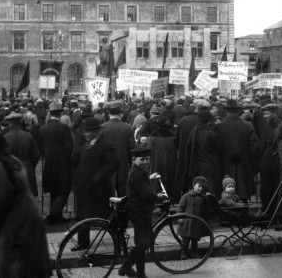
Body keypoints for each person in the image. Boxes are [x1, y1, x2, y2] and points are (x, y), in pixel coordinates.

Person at [0, 135, 50, 277]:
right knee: (27, 259)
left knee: (9, 260)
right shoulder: (15, 161)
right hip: (30, 211)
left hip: (17, 217)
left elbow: (1, 198)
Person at [118, 145, 167, 278]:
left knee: (143, 242)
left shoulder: (136, 171)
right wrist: (158, 196)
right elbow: (145, 193)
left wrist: (149, 178)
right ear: (134, 159)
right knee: (144, 243)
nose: (146, 162)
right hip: (140, 211)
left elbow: (140, 185)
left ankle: (133, 270)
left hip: (137, 210)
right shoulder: (137, 173)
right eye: (142, 159)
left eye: (147, 159)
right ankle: (129, 268)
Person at [73, 117, 119, 248]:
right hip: (84, 188)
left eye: (89, 132)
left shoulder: (105, 145)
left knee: (108, 217)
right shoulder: (85, 145)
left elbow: (114, 163)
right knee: (82, 217)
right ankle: (83, 243)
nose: (86, 134)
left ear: (96, 132)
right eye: (85, 131)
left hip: (100, 189)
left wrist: (99, 175)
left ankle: (119, 239)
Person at [214, 99, 260, 202]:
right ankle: (244, 209)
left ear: (226, 111)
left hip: (225, 163)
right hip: (244, 163)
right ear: (239, 111)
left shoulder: (219, 126)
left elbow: (216, 146)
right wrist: (251, 161)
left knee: (226, 189)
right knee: (243, 189)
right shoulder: (247, 125)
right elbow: (255, 146)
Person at [39, 101, 74, 224]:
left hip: (49, 163)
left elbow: (41, 147)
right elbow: (70, 146)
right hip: (63, 163)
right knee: (64, 188)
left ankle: (57, 216)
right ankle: (54, 213)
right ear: (60, 114)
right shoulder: (63, 128)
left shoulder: (43, 128)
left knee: (54, 189)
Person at [101, 101, 136, 197]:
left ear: (108, 113)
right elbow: (132, 149)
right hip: (124, 167)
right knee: (124, 198)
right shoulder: (127, 128)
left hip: (106, 168)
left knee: (107, 199)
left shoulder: (101, 128)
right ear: (121, 113)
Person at [2, 112, 40, 197]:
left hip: (11, 168)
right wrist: (30, 164)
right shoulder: (28, 135)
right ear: (20, 122)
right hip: (26, 166)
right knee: (28, 196)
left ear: (9, 123)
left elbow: (2, 156)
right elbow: (36, 154)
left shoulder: (5, 137)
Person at [186, 111, 223, 197]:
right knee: (211, 187)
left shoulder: (193, 131)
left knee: (199, 187)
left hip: (196, 164)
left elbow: (188, 147)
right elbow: (220, 148)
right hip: (210, 163)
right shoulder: (211, 133)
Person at [177, 176, 212, 260]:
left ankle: (194, 253)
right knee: (185, 240)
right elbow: (180, 207)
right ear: (194, 185)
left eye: (202, 187)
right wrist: (180, 217)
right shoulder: (186, 196)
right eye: (199, 186)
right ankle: (183, 253)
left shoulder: (203, 198)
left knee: (195, 240)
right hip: (186, 223)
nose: (200, 188)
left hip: (197, 223)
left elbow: (205, 210)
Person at [148, 115, 179, 201]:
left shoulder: (152, 137)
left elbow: (149, 151)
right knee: (170, 182)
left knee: (156, 183)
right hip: (171, 164)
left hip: (156, 163)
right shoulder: (173, 137)